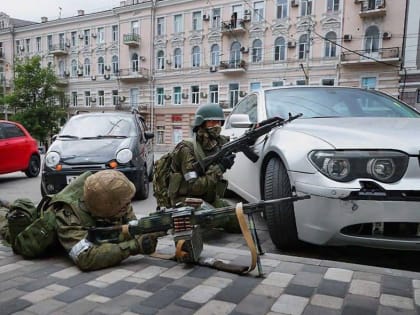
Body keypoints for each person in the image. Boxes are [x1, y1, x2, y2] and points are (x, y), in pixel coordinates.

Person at [0, 170, 161, 271]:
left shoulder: (117, 201)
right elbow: (85, 257)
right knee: (6, 222)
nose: (128, 206)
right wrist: (133, 246)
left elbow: (128, 228)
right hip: (34, 235)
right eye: (124, 203)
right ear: (106, 206)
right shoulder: (67, 216)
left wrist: (150, 229)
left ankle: (5, 204)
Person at [166, 103, 240, 232]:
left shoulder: (217, 144)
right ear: (201, 123)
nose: (216, 126)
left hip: (208, 198)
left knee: (238, 219)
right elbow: (194, 187)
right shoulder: (187, 150)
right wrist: (220, 168)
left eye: (218, 122)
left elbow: (240, 141)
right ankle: (181, 222)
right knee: (212, 217)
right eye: (211, 122)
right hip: (187, 200)